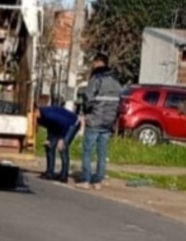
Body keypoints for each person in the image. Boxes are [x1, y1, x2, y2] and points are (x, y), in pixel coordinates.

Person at [78, 53, 122, 190]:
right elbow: (119, 101)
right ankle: (98, 181)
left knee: (88, 151)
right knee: (102, 152)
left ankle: (86, 180)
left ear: (98, 62)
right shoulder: (116, 80)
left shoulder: (96, 78)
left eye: (93, 62)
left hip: (95, 120)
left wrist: (85, 112)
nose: (92, 65)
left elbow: (88, 99)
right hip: (108, 122)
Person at [37, 103, 80, 182]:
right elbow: (51, 126)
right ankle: (50, 172)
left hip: (71, 123)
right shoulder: (42, 118)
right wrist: (49, 139)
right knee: (49, 146)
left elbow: (64, 123)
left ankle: (64, 175)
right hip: (59, 126)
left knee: (62, 148)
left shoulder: (48, 113)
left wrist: (62, 139)